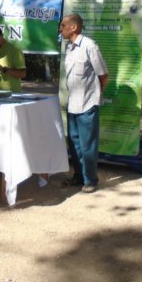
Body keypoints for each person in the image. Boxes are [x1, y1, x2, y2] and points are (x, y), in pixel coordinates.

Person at [58, 13, 109, 194]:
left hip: (87, 103)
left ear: (73, 27)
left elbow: (103, 75)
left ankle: (90, 180)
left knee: (88, 145)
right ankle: (79, 176)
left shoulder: (89, 45)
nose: (60, 29)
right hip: (73, 103)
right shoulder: (69, 47)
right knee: (74, 143)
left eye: (63, 25)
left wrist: (95, 94)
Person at [0, 25, 26, 92]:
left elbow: (22, 74)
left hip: (12, 94)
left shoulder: (15, 50)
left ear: (2, 35)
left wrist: (3, 69)